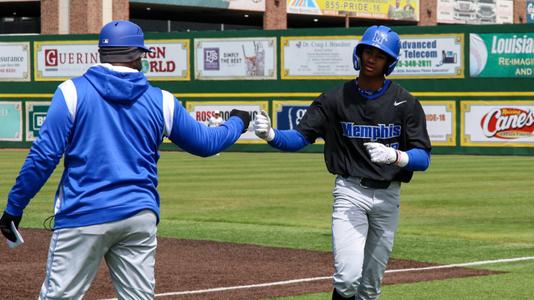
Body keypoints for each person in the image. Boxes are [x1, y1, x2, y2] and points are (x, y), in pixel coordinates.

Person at [0, 20, 250, 299]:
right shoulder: (162, 100)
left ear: (100, 54)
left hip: (84, 212)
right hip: (138, 215)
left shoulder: (71, 92)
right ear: (138, 56)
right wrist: (238, 122)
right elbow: (206, 144)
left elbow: (43, 157)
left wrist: (14, 207)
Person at [253, 25, 431, 300]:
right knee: (347, 279)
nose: (371, 59)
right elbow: (300, 137)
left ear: (390, 63)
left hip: (388, 198)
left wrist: (397, 156)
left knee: (370, 288)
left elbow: (423, 158)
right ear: (358, 54)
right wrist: (271, 135)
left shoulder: (405, 103)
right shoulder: (335, 98)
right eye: (367, 51)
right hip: (351, 193)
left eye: (379, 55)